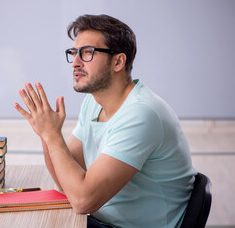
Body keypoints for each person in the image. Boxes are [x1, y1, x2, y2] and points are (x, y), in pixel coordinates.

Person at [14, 14, 197, 228]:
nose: (75, 63)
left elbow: (83, 201)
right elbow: (66, 183)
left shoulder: (141, 114)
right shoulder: (94, 103)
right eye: (73, 53)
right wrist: (45, 133)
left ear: (118, 61)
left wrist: (53, 136)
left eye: (87, 53)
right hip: (101, 221)